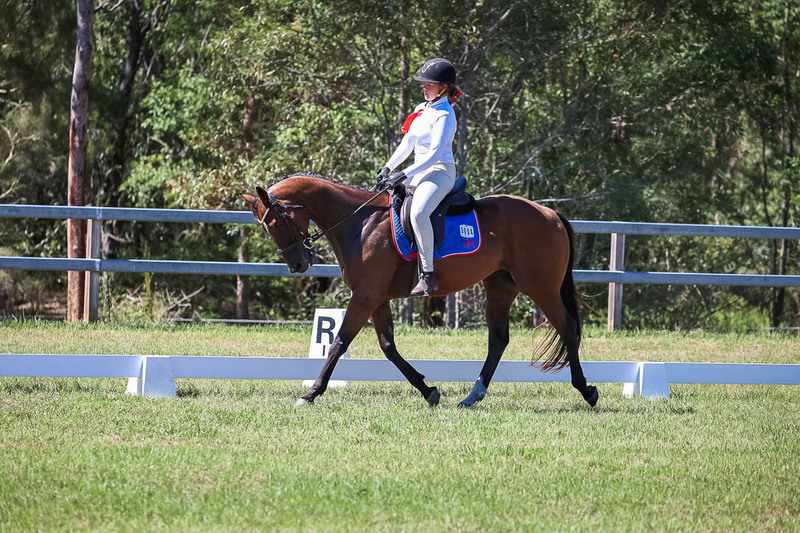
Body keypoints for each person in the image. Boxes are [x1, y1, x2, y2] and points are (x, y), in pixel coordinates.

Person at [375, 57, 460, 297]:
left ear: (443, 87)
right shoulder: (421, 109)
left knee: (419, 212)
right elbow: (408, 142)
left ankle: (428, 275)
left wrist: (404, 172)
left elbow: (433, 155)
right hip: (417, 171)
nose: (424, 87)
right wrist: (388, 168)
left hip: (440, 171)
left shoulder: (445, 114)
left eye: (429, 84)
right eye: (423, 83)